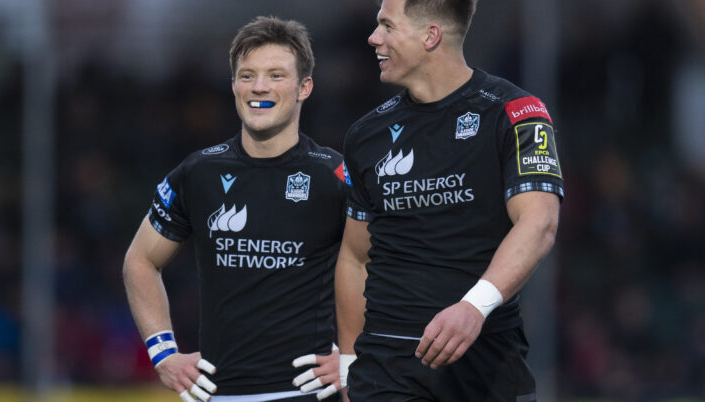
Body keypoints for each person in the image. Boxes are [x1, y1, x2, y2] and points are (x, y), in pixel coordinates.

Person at [335, 0, 563, 401]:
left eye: (387, 26)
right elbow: (355, 258)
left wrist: (474, 307)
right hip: (386, 368)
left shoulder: (516, 113)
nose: (373, 38)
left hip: (485, 361)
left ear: (430, 36)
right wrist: (349, 365)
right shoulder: (365, 135)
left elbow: (539, 222)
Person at [123, 16, 347, 402]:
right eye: (247, 76)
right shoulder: (198, 173)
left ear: (304, 87)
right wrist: (163, 354)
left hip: (307, 394)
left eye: (276, 75)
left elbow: (386, 265)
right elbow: (140, 261)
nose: (259, 86)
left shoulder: (336, 176)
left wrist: (357, 355)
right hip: (218, 393)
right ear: (234, 86)